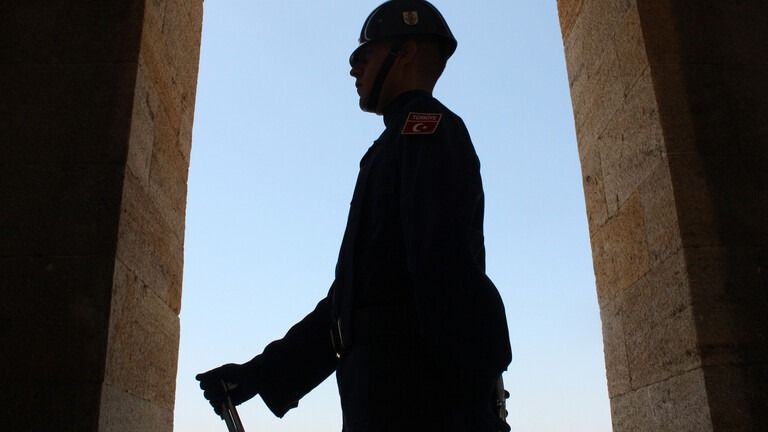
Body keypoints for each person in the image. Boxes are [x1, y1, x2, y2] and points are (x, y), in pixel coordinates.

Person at [196, 1, 512, 431]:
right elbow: (351, 305)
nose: (353, 69)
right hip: (383, 398)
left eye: (364, 55)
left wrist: (469, 405)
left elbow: (443, 267)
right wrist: (258, 374)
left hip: (418, 403)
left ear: (405, 52)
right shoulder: (392, 144)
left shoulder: (427, 129)